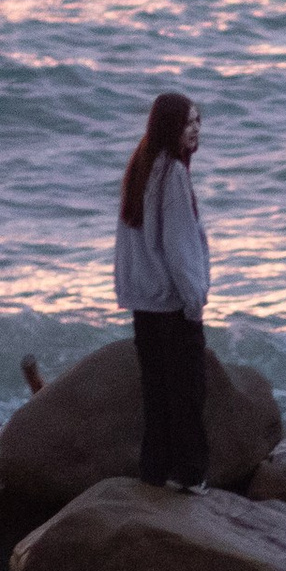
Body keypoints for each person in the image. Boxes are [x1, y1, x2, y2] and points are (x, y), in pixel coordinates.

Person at [114, 91, 212, 490]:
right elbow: (179, 243)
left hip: (145, 301)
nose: (196, 130)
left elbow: (129, 241)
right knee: (187, 392)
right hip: (171, 302)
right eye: (188, 123)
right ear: (170, 127)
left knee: (156, 393)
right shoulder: (171, 172)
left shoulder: (141, 164)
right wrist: (195, 300)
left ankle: (154, 472)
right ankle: (190, 475)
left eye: (198, 121)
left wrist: (130, 289)